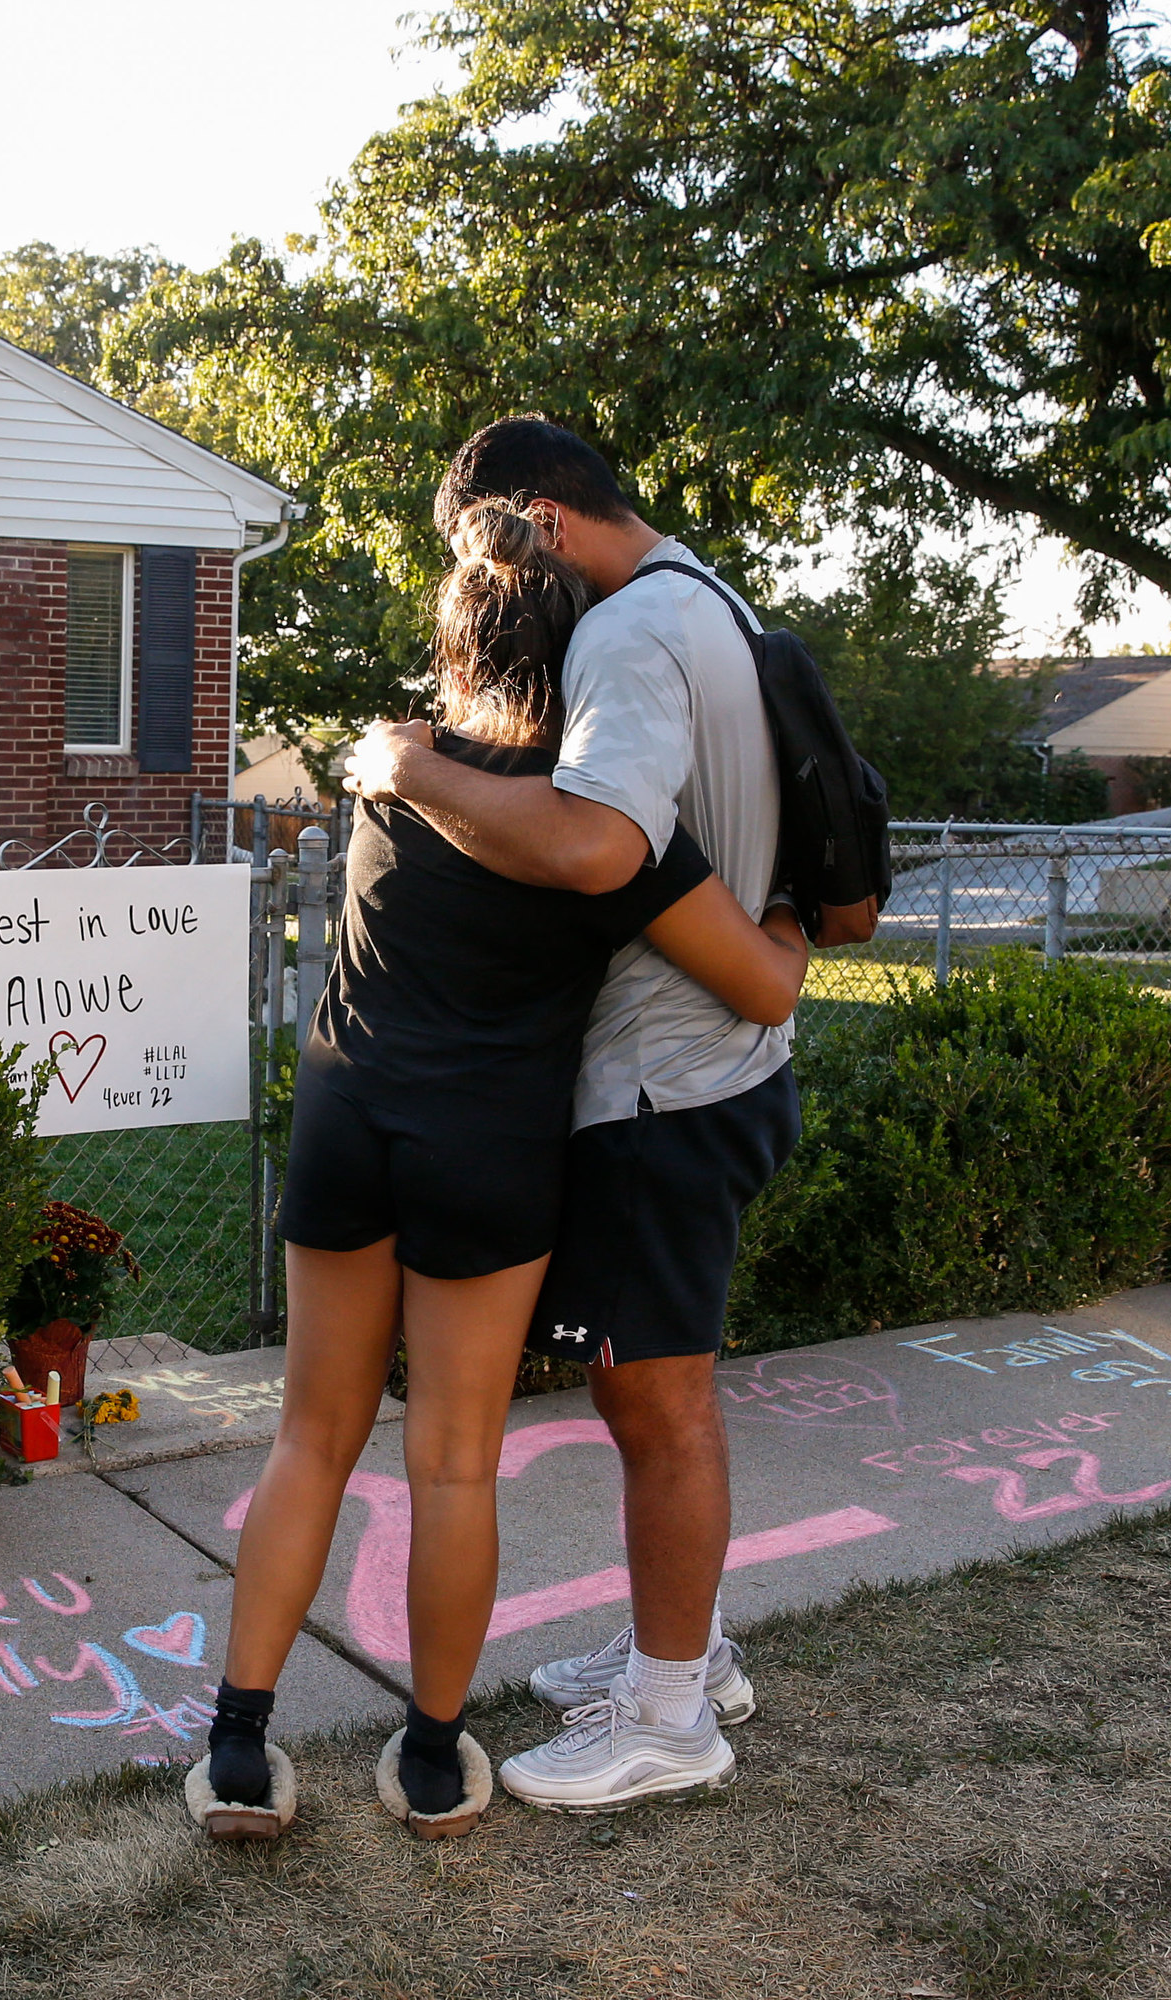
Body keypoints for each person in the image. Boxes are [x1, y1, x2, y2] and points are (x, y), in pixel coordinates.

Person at [188, 499, 807, 1843]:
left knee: (310, 1436)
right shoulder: (605, 835)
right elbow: (758, 980)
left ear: (454, 642)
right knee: (455, 1464)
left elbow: (420, 767)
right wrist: (798, 921)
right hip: (493, 1148)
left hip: (349, 1118)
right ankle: (428, 1757)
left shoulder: (388, 774)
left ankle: (239, 1747)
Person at [341, 415, 802, 1815]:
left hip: (670, 1077)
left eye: (478, 546)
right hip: (709, 1058)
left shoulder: (628, 635)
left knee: (658, 1397)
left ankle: (669, 1714)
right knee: (646, 1386)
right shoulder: (707, 594)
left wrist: (413, 767)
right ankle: (686, 1649)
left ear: (537, 519)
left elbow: (607, 844)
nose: (484, 582)